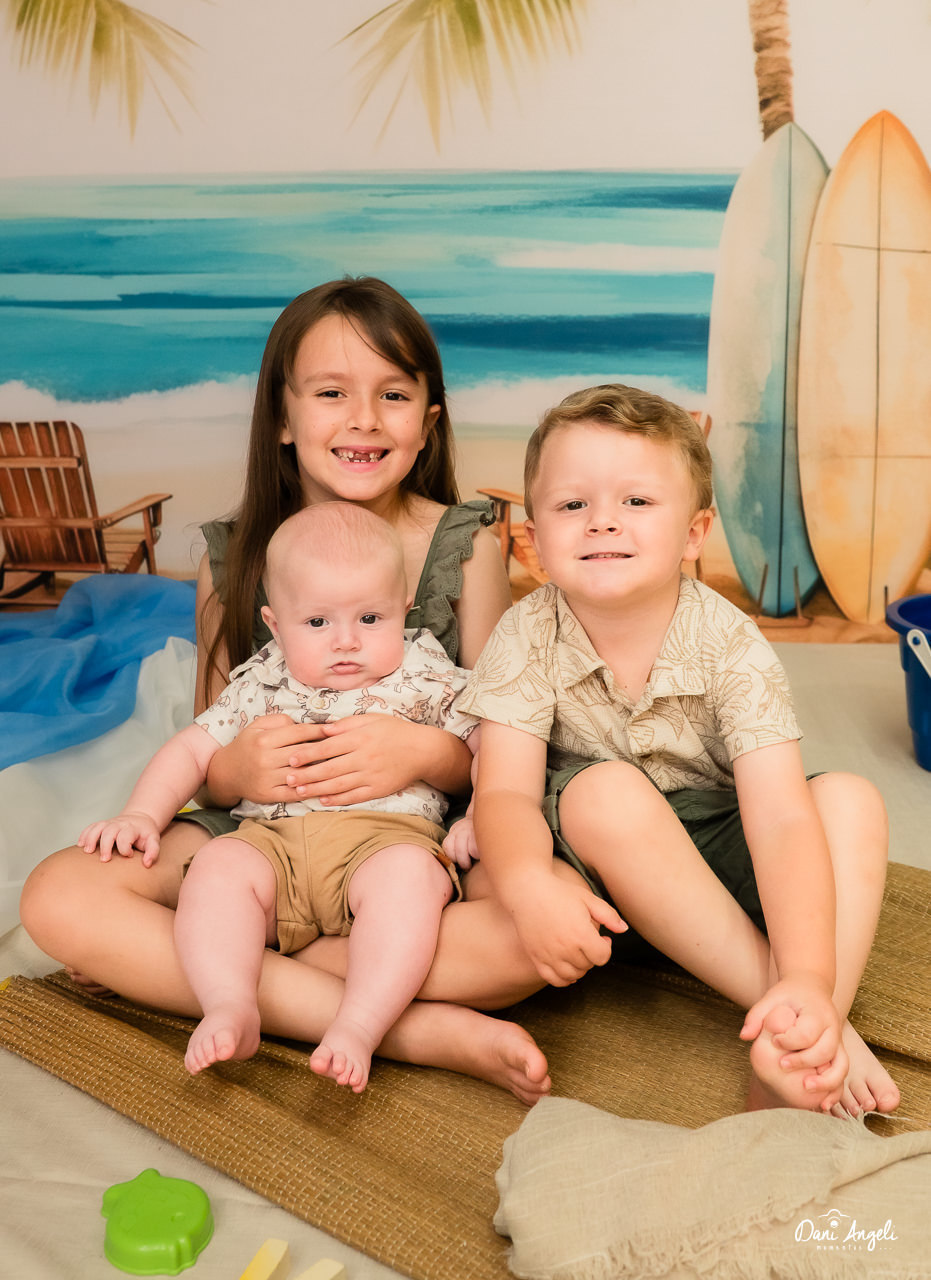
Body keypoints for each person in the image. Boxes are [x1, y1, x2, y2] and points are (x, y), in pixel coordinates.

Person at [21, 276, 552, 1105]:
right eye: (331, 393)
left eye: (392, 395)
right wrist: (240, 770)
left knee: (532, 933)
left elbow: (497, 740)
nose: (363, 419)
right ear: (281, 415)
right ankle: (408, 1028)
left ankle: (199, 961)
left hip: (403, 840)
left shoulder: (467, 546)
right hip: (260, 837)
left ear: (427, 421)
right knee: (58, 898)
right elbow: (210, 757)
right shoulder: (232, 556)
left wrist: (422, 752)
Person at [458, 383, 900, 1118]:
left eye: (636, 501)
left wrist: (806, 969)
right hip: (594, 887)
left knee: (849, 799)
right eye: (572, 504)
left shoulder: (730, 642)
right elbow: (502, 793)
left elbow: (780, 819)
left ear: (694, 534)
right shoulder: (526, 633)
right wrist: (529, 884)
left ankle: (803, 1019)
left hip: (713, 878)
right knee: (606, 793)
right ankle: (813, 1030)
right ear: (532, 542)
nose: (602, 521)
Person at [78, 503, 480, 1093]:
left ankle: (360, 1024)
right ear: (275, 622)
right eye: (317, 622)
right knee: (217, 867)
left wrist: (481, 810)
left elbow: (489, 736)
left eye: (371, 618)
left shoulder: (424, 669)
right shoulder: (262, 678)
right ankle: (229, 1003)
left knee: (411, 884)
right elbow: (192, 750)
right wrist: (142, 813)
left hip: (384, 842)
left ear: (404, 609)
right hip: (272, 845)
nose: (346, 641)